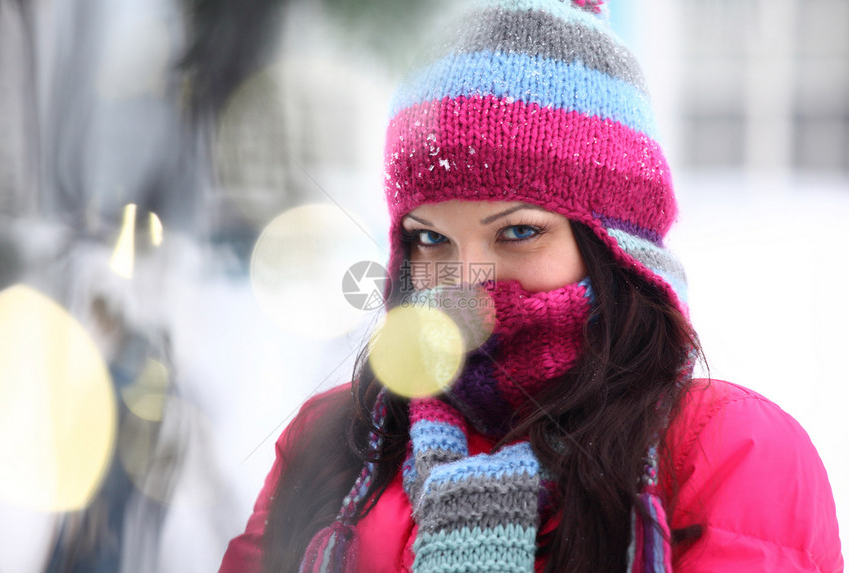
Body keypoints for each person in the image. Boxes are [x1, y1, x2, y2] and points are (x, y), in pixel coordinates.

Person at [220, 1, 843, 571]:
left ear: (617, 248)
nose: (466, 283)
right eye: (430, 239)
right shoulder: (334, 443)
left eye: (518, 232)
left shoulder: (730, 450)